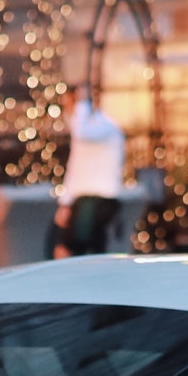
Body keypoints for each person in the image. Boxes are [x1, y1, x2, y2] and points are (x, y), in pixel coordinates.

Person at [53, 84, 126, 257]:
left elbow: (82, 133)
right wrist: (66, 203)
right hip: (82, 202)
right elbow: (76, 168)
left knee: (80, 251)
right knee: (77, 250)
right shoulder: (85, 134)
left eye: (72, 104)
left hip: (97, 202)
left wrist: (82, 102)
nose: (69, 110)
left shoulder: (105, 128)